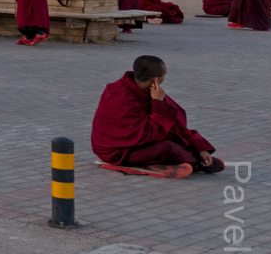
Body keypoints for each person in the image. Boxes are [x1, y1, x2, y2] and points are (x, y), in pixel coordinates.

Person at [91, 55, 224, 175]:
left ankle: (193, 158)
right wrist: (157, 103)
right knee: (167, 148)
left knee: (174, 140)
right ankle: (201, 165)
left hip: (138, 144)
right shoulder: (118, 93)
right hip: (117, 152)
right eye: (164, 74)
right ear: (154, 80)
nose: (164, 77)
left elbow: (176, 125)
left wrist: (199, 147)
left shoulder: (149, 91)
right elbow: (148, 134)